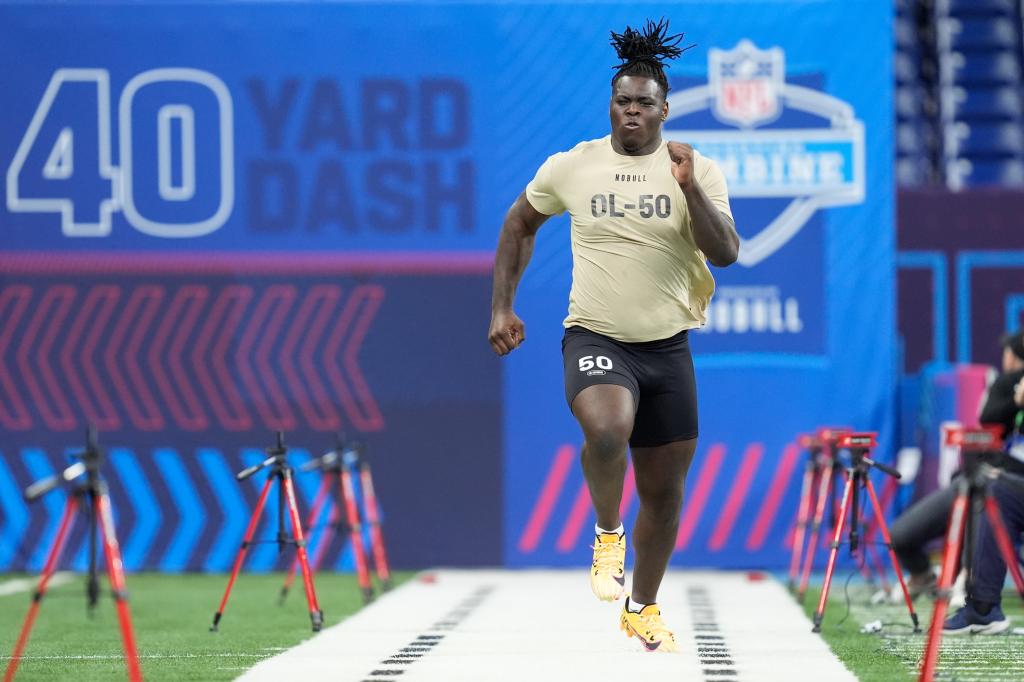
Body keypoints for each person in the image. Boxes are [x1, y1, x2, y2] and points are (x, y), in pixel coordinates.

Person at [487, 19, 738, 652]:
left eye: (644, 103)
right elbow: (518, 224)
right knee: (606, 428)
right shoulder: (573, 165)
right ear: (611, 106)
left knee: (665, 495)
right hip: (595, 335)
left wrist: (688, 191)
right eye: (622, 101)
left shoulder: (695, 169)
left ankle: (642, 607)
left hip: (668, 347)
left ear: (664, 110)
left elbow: (727, 252)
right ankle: (606, 533)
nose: (632, 111)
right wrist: (502, 308)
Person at [886, 330, 1024, 602]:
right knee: (901, 535)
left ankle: (972, 586)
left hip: (1002, 485)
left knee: (988, 491)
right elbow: (988, 420)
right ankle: (933, 578)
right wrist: (1015, 401)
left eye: (1007, 353)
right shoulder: (1007, 384)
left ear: (1011, 356)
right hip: (986, 476)